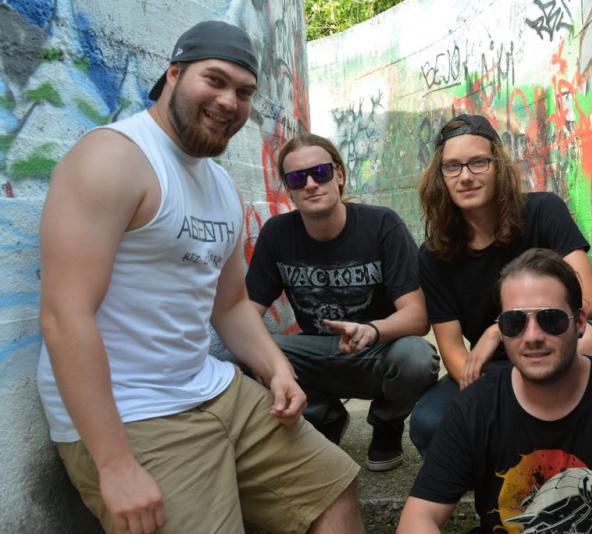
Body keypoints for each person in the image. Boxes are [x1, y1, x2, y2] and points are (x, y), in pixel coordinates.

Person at [37, 21, 364, 534]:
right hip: (131, 412)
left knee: (334, 488)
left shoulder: (220, 185)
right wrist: (115, 465)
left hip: (212, 389)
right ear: (173, 74)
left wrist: (277, 368)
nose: (229, 101)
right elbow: (63, 317)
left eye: (244, 92)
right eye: (214, 80)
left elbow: (229, 303)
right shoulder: (113, 158)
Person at [398, 248, 592, 533]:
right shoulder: (475, 408)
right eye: (514, 323)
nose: (532, 336)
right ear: (501, 330)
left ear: (580, 323)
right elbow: (419, 517)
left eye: (551, 319)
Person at [245, 133, 440, 472]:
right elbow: (247, 314)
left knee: (417, 357)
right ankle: (325, 416)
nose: (310, 184)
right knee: (241, 353)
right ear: (288, 189)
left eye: (320, 173)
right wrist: (269, 364)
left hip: (375, 351)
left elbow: (417, 316)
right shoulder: (277, 233)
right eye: (297, 178)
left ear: (338, 174)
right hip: (316, 354)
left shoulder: (381, 225)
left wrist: (372, 330)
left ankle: (387, 424)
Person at [409, 113, 592, 454]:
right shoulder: (434, 255)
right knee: (429, 423)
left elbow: (587, 302)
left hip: (551, 348)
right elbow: (453, 350)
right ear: (440, 177)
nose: (465, 176)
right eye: (452, 167)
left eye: (478, 162)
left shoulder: (543, 211)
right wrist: (490, 397)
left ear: (498, 166)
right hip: (493, 368)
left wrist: (498, 330)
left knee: (587, 341)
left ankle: (578, 454)